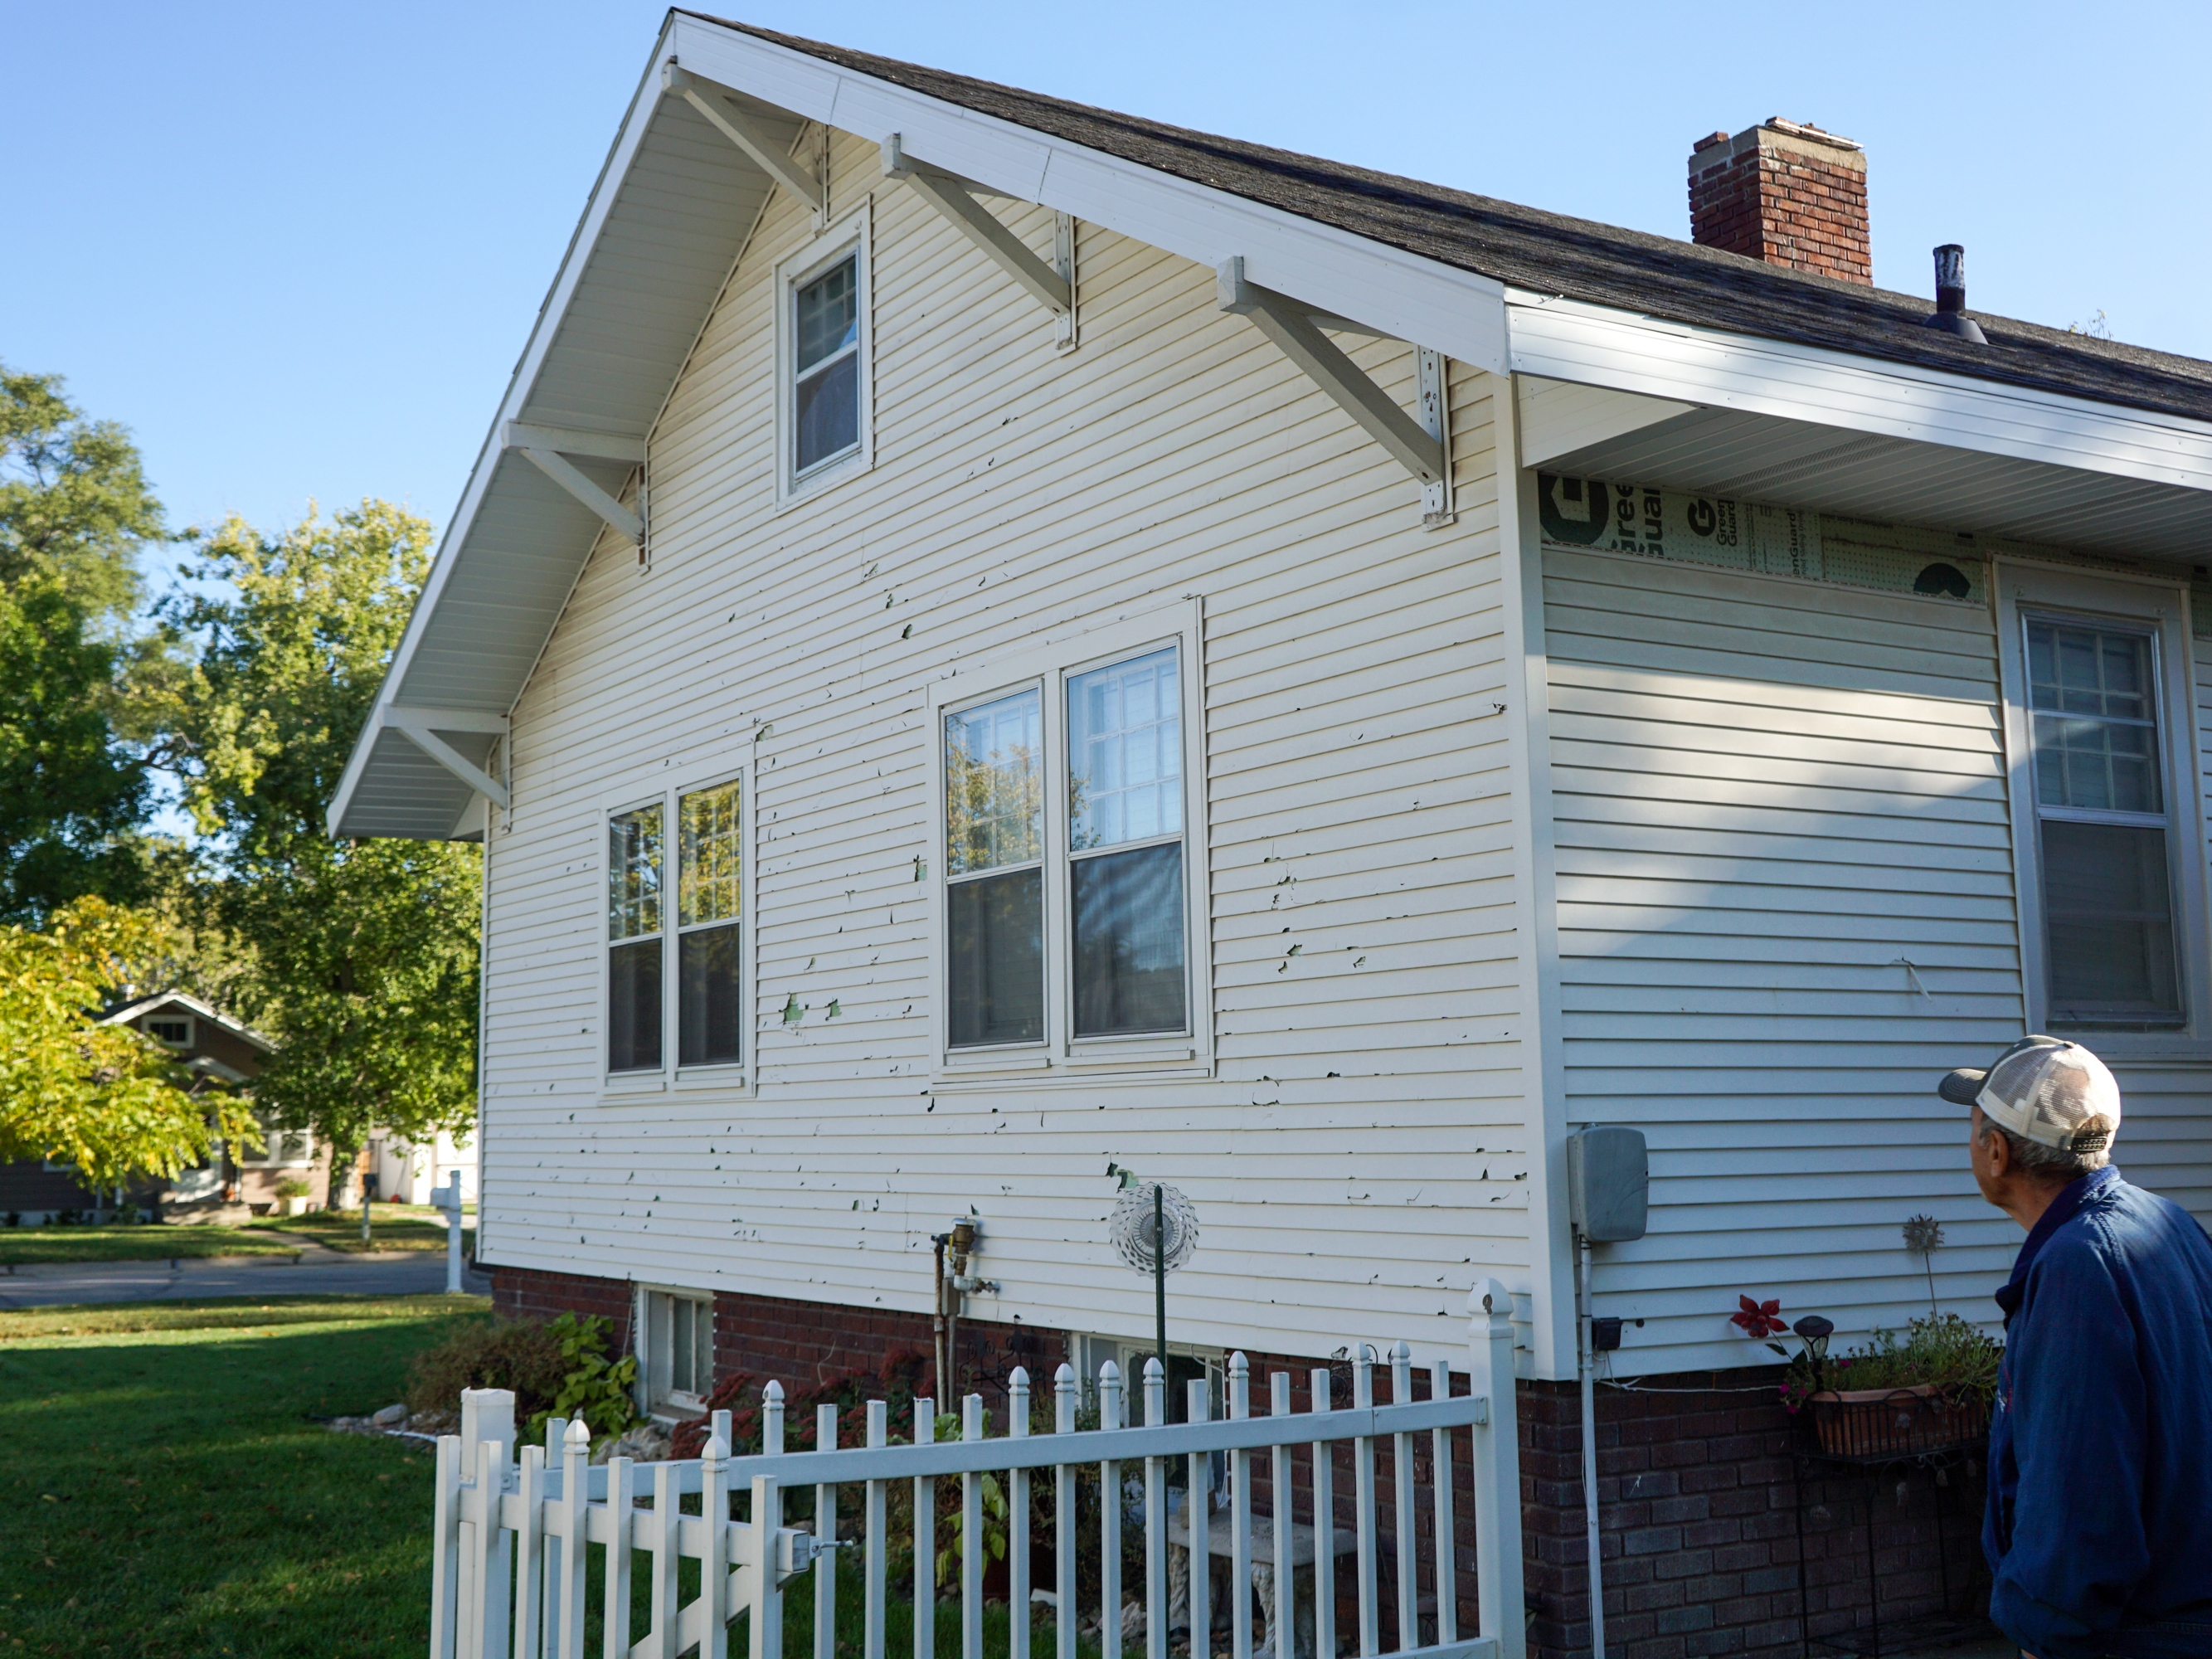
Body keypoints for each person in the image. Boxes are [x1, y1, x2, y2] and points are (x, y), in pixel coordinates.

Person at [1937, 1036, 2212, 1658]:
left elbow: (2081, 1486)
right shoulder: (2165, 1221)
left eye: (1975, 1125)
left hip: (2137, 1634)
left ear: (1996, 1152)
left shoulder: (2076, 1267)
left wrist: (2046, 1630)